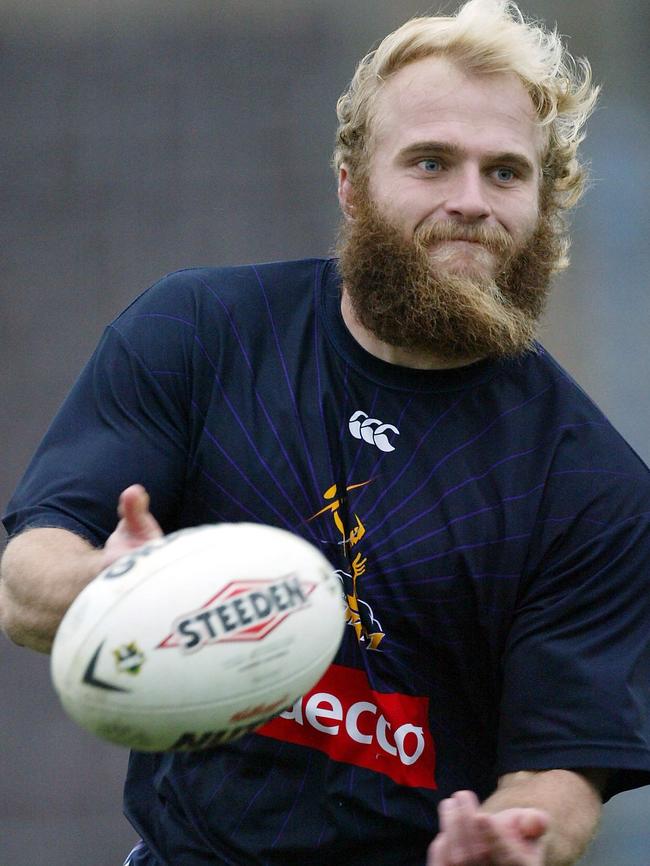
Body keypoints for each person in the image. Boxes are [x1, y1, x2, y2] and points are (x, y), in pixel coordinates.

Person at [2, 0, 650, 863]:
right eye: (430, 162)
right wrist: (113, 583)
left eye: (505, 173)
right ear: (351, 182)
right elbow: (25, 580)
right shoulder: (200, 332)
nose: (470, 201)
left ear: (543, 200)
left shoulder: (594, 484)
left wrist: (516, 837)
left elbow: (562, 770)